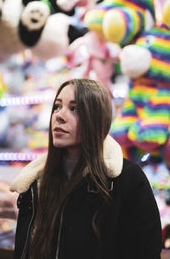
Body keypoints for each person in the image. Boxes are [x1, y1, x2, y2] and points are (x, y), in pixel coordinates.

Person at [10, 78, 162, 259]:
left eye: (74, 109)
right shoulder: (36, 182)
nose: (59, 115)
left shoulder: (125, 180)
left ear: (95, 118)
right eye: (57, 107)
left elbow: (145, 251)